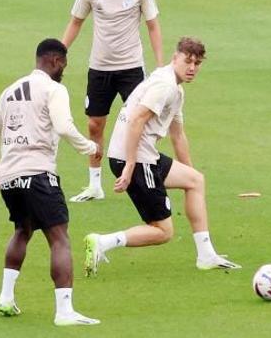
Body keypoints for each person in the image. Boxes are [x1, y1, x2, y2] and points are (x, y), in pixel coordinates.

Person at [84, 37, 240, 275]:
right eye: (187, 61)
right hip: (135, 158)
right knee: (162, 231)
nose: (192, 68)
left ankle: (206, 255)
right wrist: (129, 168)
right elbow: (136, 119)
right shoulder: (165, 86)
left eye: (197, 63)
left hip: (144, 155)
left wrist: (189, 170)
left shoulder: (175, 89)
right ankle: (102, 242)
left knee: (196, 180)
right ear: (174, 58)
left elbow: (178, 135)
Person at [0, 39, 101, 326]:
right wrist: (90, 147)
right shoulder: (54, 89)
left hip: (9, 177)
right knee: (59, 237)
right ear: (56, 61)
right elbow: (63, 126)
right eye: (64, 66)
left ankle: (6, 298)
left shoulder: (10, 90)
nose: (63, 72)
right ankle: (64, 311)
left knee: (22, 230)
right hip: (38, 173)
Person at [61, 0, 163, 203]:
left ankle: (144, 178)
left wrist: (161, 66)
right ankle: (95, 184)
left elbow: (152, 26)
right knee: (95, 124)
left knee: (139, 124)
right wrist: (59, 52)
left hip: (131, 68)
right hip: (100, 68)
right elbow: (76, 22)